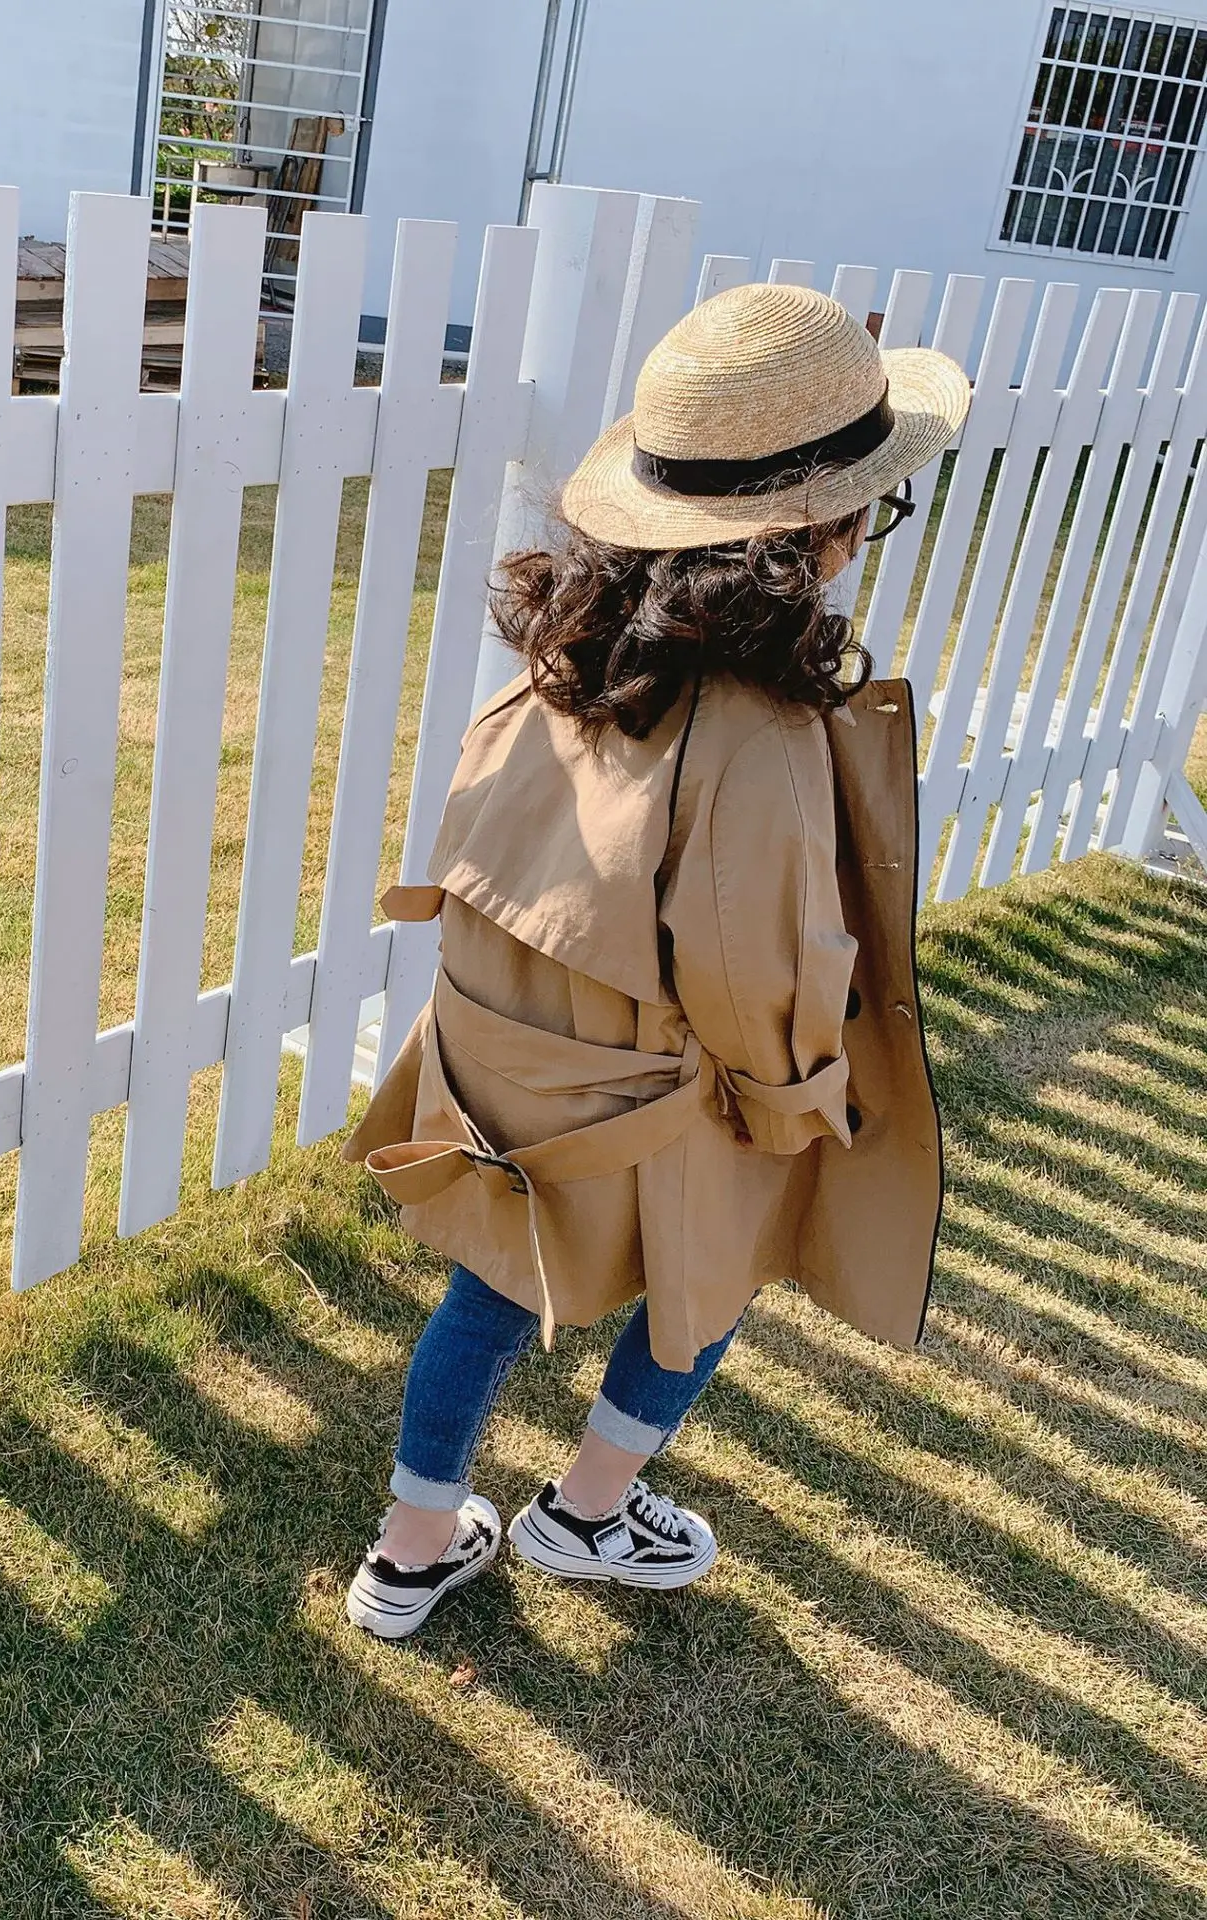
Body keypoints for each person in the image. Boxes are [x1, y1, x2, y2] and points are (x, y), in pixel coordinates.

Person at [342, 282, 968, 1639]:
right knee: (720, 1268)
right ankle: (590, 1508)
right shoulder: (757, 731)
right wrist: (803, 1095)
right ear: (819, 534)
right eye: (872, 508)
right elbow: (761, 971)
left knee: (493, 1288)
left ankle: (410, 1549)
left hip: (506, 1070)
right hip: (655, 1097)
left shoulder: (560, 659)